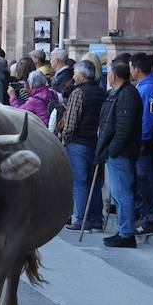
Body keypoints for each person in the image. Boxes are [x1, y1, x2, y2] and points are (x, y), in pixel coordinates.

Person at [95, 60, 143, 247]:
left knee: (122, 193)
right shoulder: (120, 93)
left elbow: (123, 127)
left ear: (114, 75)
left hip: (121, 152)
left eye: (109, 73)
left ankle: (126, 233)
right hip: (118, 151)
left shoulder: (128, 95)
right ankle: (124, 230)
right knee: (119, 193)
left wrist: (112, 149)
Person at [61, 59, 106, 231]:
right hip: (95, 143)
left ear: (81, 75)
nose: (73, 76)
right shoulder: (103, 93)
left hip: (79, 143)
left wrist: (66, 139)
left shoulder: (78, 93)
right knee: (95, 182)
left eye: (75, 73)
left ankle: (80, 218)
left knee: (80, 181)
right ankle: (95, 219)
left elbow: (71, 121)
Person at [131, 53, 153, 228]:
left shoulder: (148, 88)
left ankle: (149, 216)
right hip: (142, 140)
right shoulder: (143, 86)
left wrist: (142, 139)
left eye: (131, 67)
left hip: (145, 142)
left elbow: (148, 117)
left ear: (136, 69)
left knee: (146, 181)